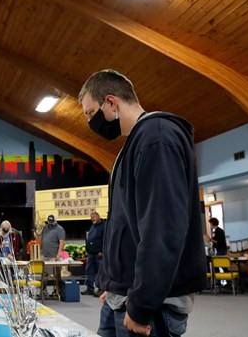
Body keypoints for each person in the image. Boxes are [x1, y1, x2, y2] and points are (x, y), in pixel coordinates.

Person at [79, 69, 207, 337]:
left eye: (90, 113)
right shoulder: (135, 143)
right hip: (122, 296)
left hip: (150, 307)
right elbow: (125, 224)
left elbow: (163, 229)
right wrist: (112, 284)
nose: (90, 122)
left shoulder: (156, 137)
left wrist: (141, 304)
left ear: (111, 102)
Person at [83, 211, 105, 296]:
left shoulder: (104, 226)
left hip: (99, 253)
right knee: (89, 271)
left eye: (94, 216)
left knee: (101, 272)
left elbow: (106, 239)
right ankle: (90, 288)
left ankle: (101, 289)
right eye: (91, 217)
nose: (92, 218)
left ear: (98, 216)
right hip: (91, 253)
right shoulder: (93, 226)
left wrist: (102, 251)